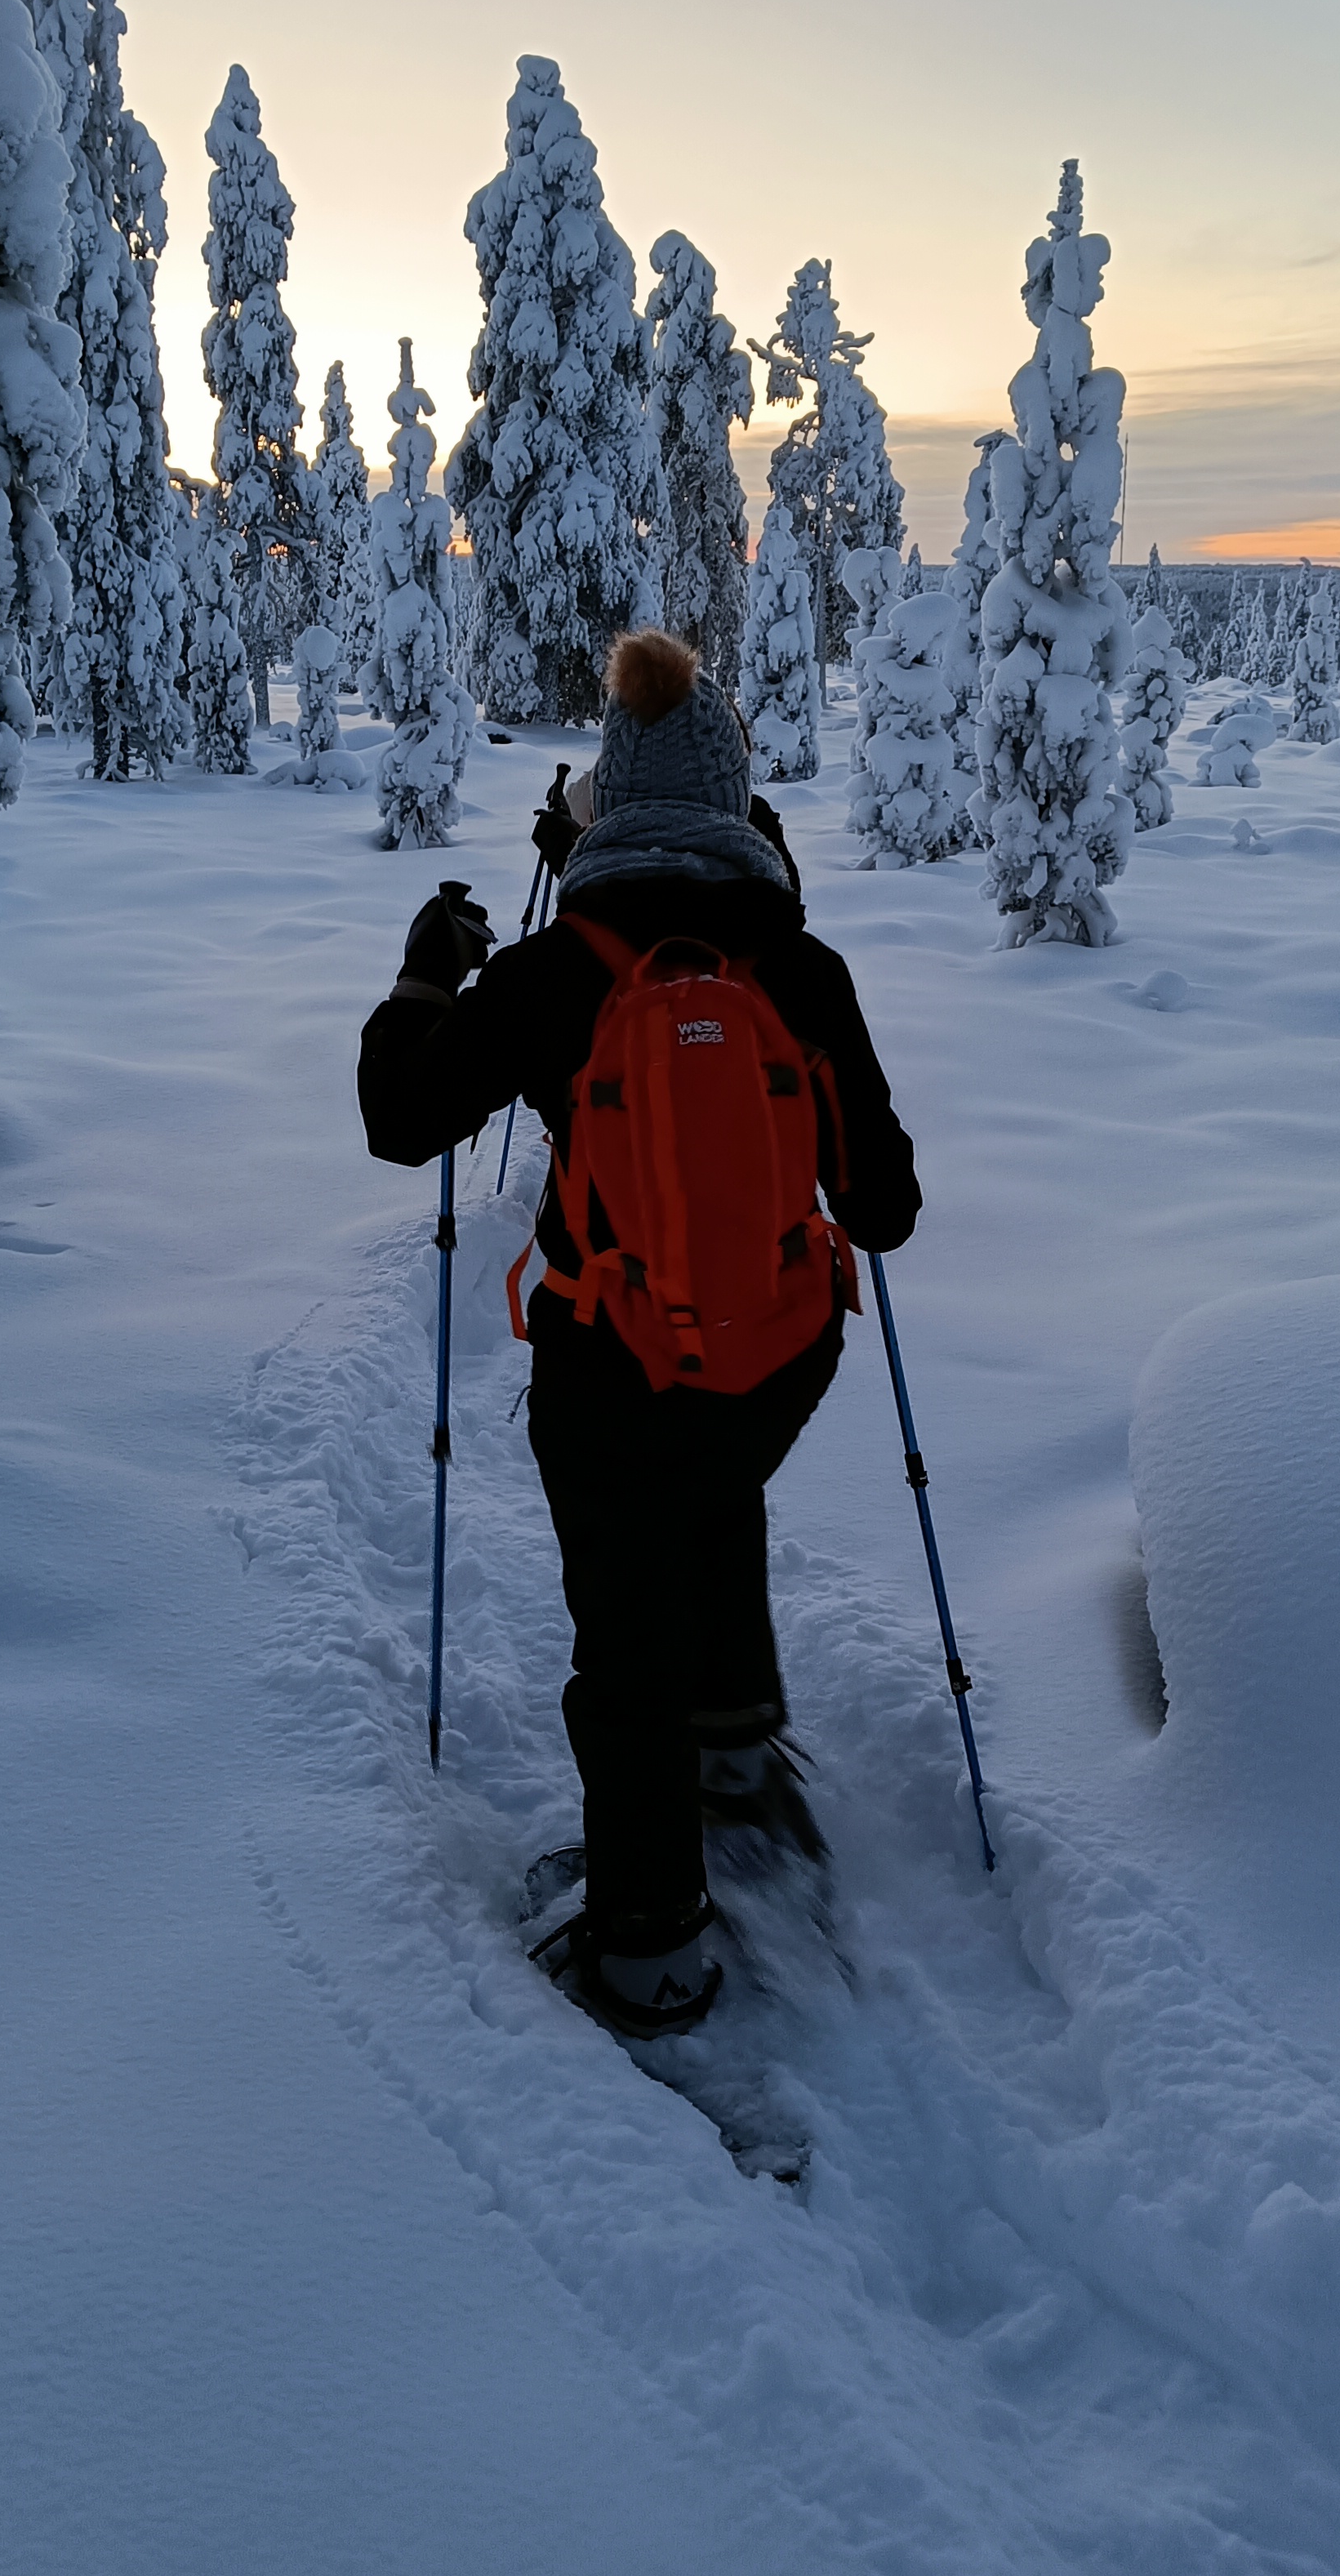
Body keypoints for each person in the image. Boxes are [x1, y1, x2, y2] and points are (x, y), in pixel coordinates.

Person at [356, 629, 920, 2035]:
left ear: (605, 801)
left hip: (610, 1362)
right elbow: (884, 1209)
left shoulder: (557, 972)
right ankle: (734, 1755)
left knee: (624, 1624)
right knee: (716, 1501)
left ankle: (652, 1940)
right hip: (781, 1353)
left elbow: (399, 1121)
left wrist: (431, 974)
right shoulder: (802, 968)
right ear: (738, 803)